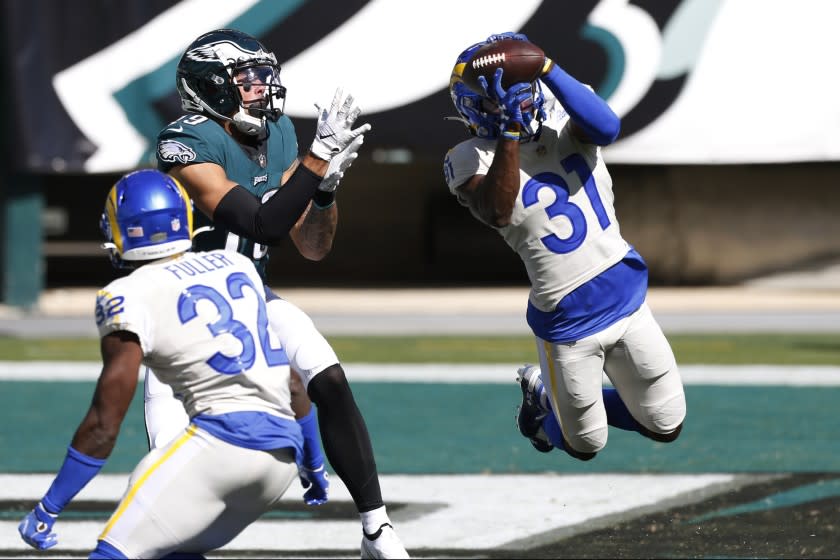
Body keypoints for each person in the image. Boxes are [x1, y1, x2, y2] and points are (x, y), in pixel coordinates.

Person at [154, 29, 407, 557]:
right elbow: (263, 222)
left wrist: (326, 190)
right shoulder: (185, 141)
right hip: (182, 311)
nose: (262, 88)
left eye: (265, 76)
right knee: (169, 463)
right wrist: (317, 161)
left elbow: (311, 246)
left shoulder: (280, 133)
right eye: (247, 79)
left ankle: (376, 529)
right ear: (211, 86)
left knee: (330, 378)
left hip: (253, 293)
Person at [19, 169, 319, 557]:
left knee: (114, 551)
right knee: (172, 549)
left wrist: (49, 506)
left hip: (223, 447)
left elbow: (103, 425)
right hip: (282, 459)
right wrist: (313, 462)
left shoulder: (127, 294)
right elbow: (293, 383)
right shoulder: (236, 266)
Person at [443, 32, 686, 462]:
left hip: (626, 294)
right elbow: (497, 211)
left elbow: (608, 128)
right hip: (567, 320)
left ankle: (555, 394)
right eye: (499, 98)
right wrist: (510, 134)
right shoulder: (469, 158)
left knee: (666, 426)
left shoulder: (567, 117)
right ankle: (540, 402)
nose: (511, 102)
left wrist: (547, 66)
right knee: (584, 444)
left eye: (519, 91)